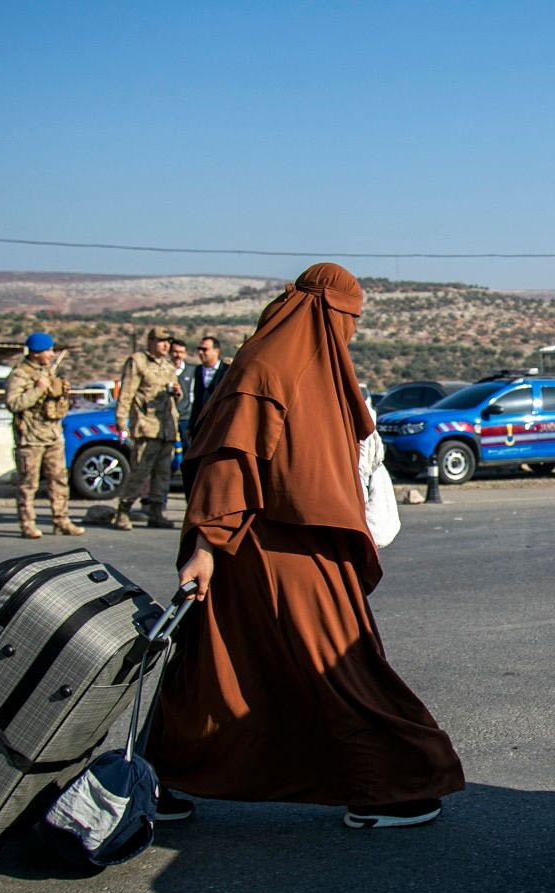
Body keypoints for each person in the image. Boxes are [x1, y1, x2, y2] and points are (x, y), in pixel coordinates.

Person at [146, 263, 464, 828]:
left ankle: (155, 778)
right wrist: (206, 546)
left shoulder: (312, 369)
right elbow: (228, 461)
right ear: (324, 311)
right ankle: (393, 784)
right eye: (348, 319)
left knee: (219, 665)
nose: (350, 331)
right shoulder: (267, 368)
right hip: (269, 551)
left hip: (299, 546)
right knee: (337, 664)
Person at [5, 332, 84, 539]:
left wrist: (62, 392)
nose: (51, 354)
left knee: (59, 480)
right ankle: (27, 524)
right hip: (30, 438)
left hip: (52, 435)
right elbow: (14, 404)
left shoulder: (48, 372)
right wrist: (38, 389)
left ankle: (61, 521)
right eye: (47, 350)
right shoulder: (20, 375)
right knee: (28, 483)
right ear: (36, 352)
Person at [112, 328, 182, 531]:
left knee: (163, 474)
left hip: (166, 428)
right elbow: (126, 393)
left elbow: (177, 397)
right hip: (146, 426)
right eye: (161, 341)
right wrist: (121, 422)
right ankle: (123, 511)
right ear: (151, 341)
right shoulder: (138, 362)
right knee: (140, 472)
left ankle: (156, 512)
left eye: (168, 341)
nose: (166, 345)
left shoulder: (168, 366)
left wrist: (178, 393)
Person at [181, 335, 227, 449]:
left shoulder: (227, 371)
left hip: (218, 424)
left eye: (205, 349)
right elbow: (197, 400)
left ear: (216, 351)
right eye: (199, 349)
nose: (201, 353)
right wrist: (191, 426)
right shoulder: (198, 370)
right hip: (201, 424)